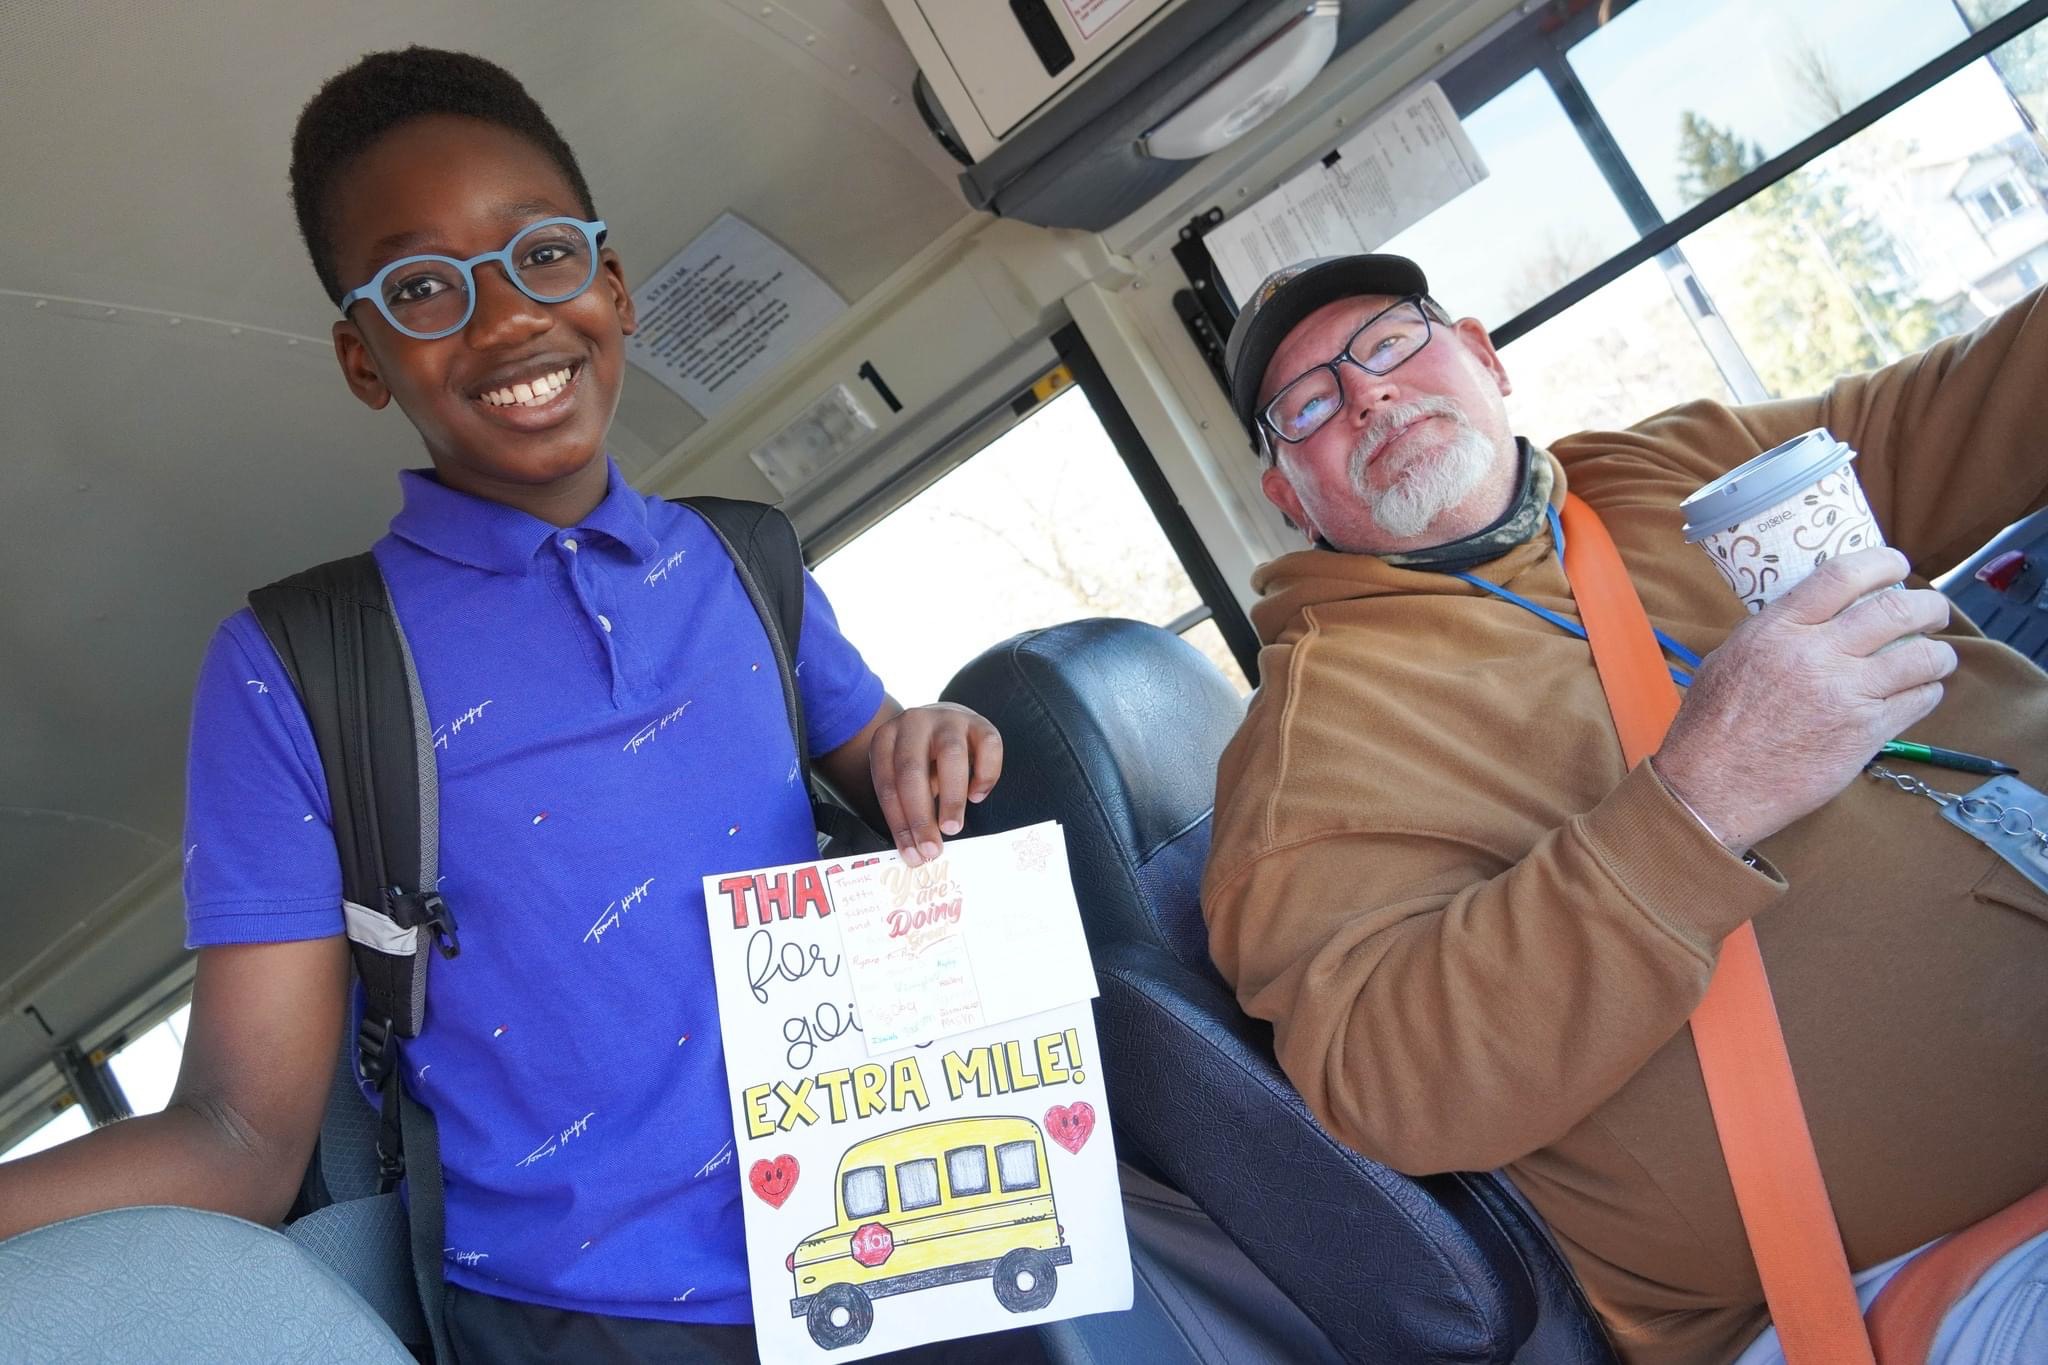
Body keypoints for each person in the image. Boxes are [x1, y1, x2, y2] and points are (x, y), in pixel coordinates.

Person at [0, 48, 1025, 1364]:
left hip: (906, 1244)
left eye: (540, 255)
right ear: (363, 357)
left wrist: (928, 735)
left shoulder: (745, 563)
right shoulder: (293, 669)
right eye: (421, 286)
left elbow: (881, 756)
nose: (501, 317)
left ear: (612, 285)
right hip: (584, 1328)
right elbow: (243, 1140)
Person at [1199, 253, 2048, 1364]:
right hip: (1898, 1275)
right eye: (1305, 404)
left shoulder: (1666, 468)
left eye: (1389, 342)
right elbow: (1390, 1079)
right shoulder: (1308, 748)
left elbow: (1979, 405)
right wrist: (1694, 804)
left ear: (1482, 355)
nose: (1365, 392)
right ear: (1284, 492)